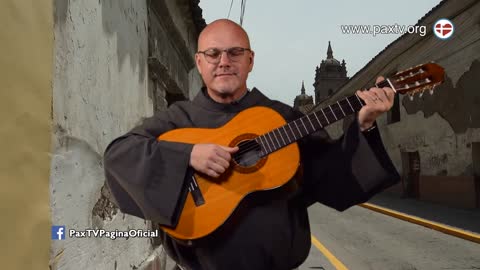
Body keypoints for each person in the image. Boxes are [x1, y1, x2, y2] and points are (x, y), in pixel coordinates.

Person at [103, 19, 400, 270]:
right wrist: (188, 154)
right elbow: (120, 155)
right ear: (199, 62)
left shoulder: (283, 118)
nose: (224, 62)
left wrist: (364, 124)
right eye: (213, 53)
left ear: (250, 60)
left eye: (235, 52)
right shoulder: (179, 118)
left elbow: (334, 176)